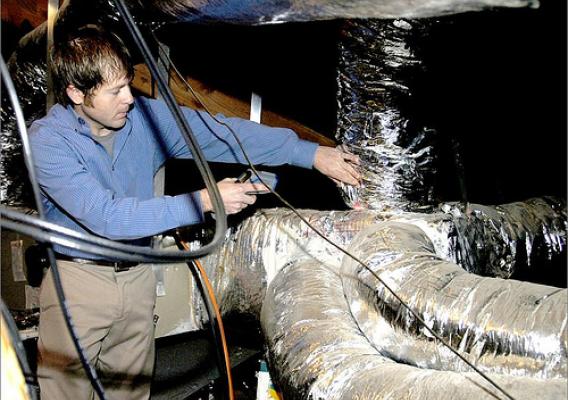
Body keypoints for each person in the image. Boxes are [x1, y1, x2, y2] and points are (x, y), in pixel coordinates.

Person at [29, 25, 360, 400]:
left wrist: (311, 154)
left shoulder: (143, 120)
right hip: (78, 281)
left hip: (137, 276)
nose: (129, 98)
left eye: (127, 84)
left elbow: (221, 133)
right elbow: (108, 217)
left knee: (131, 393)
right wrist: (203, 201)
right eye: (115, 90)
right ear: (76, 93)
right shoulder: (48, 142)